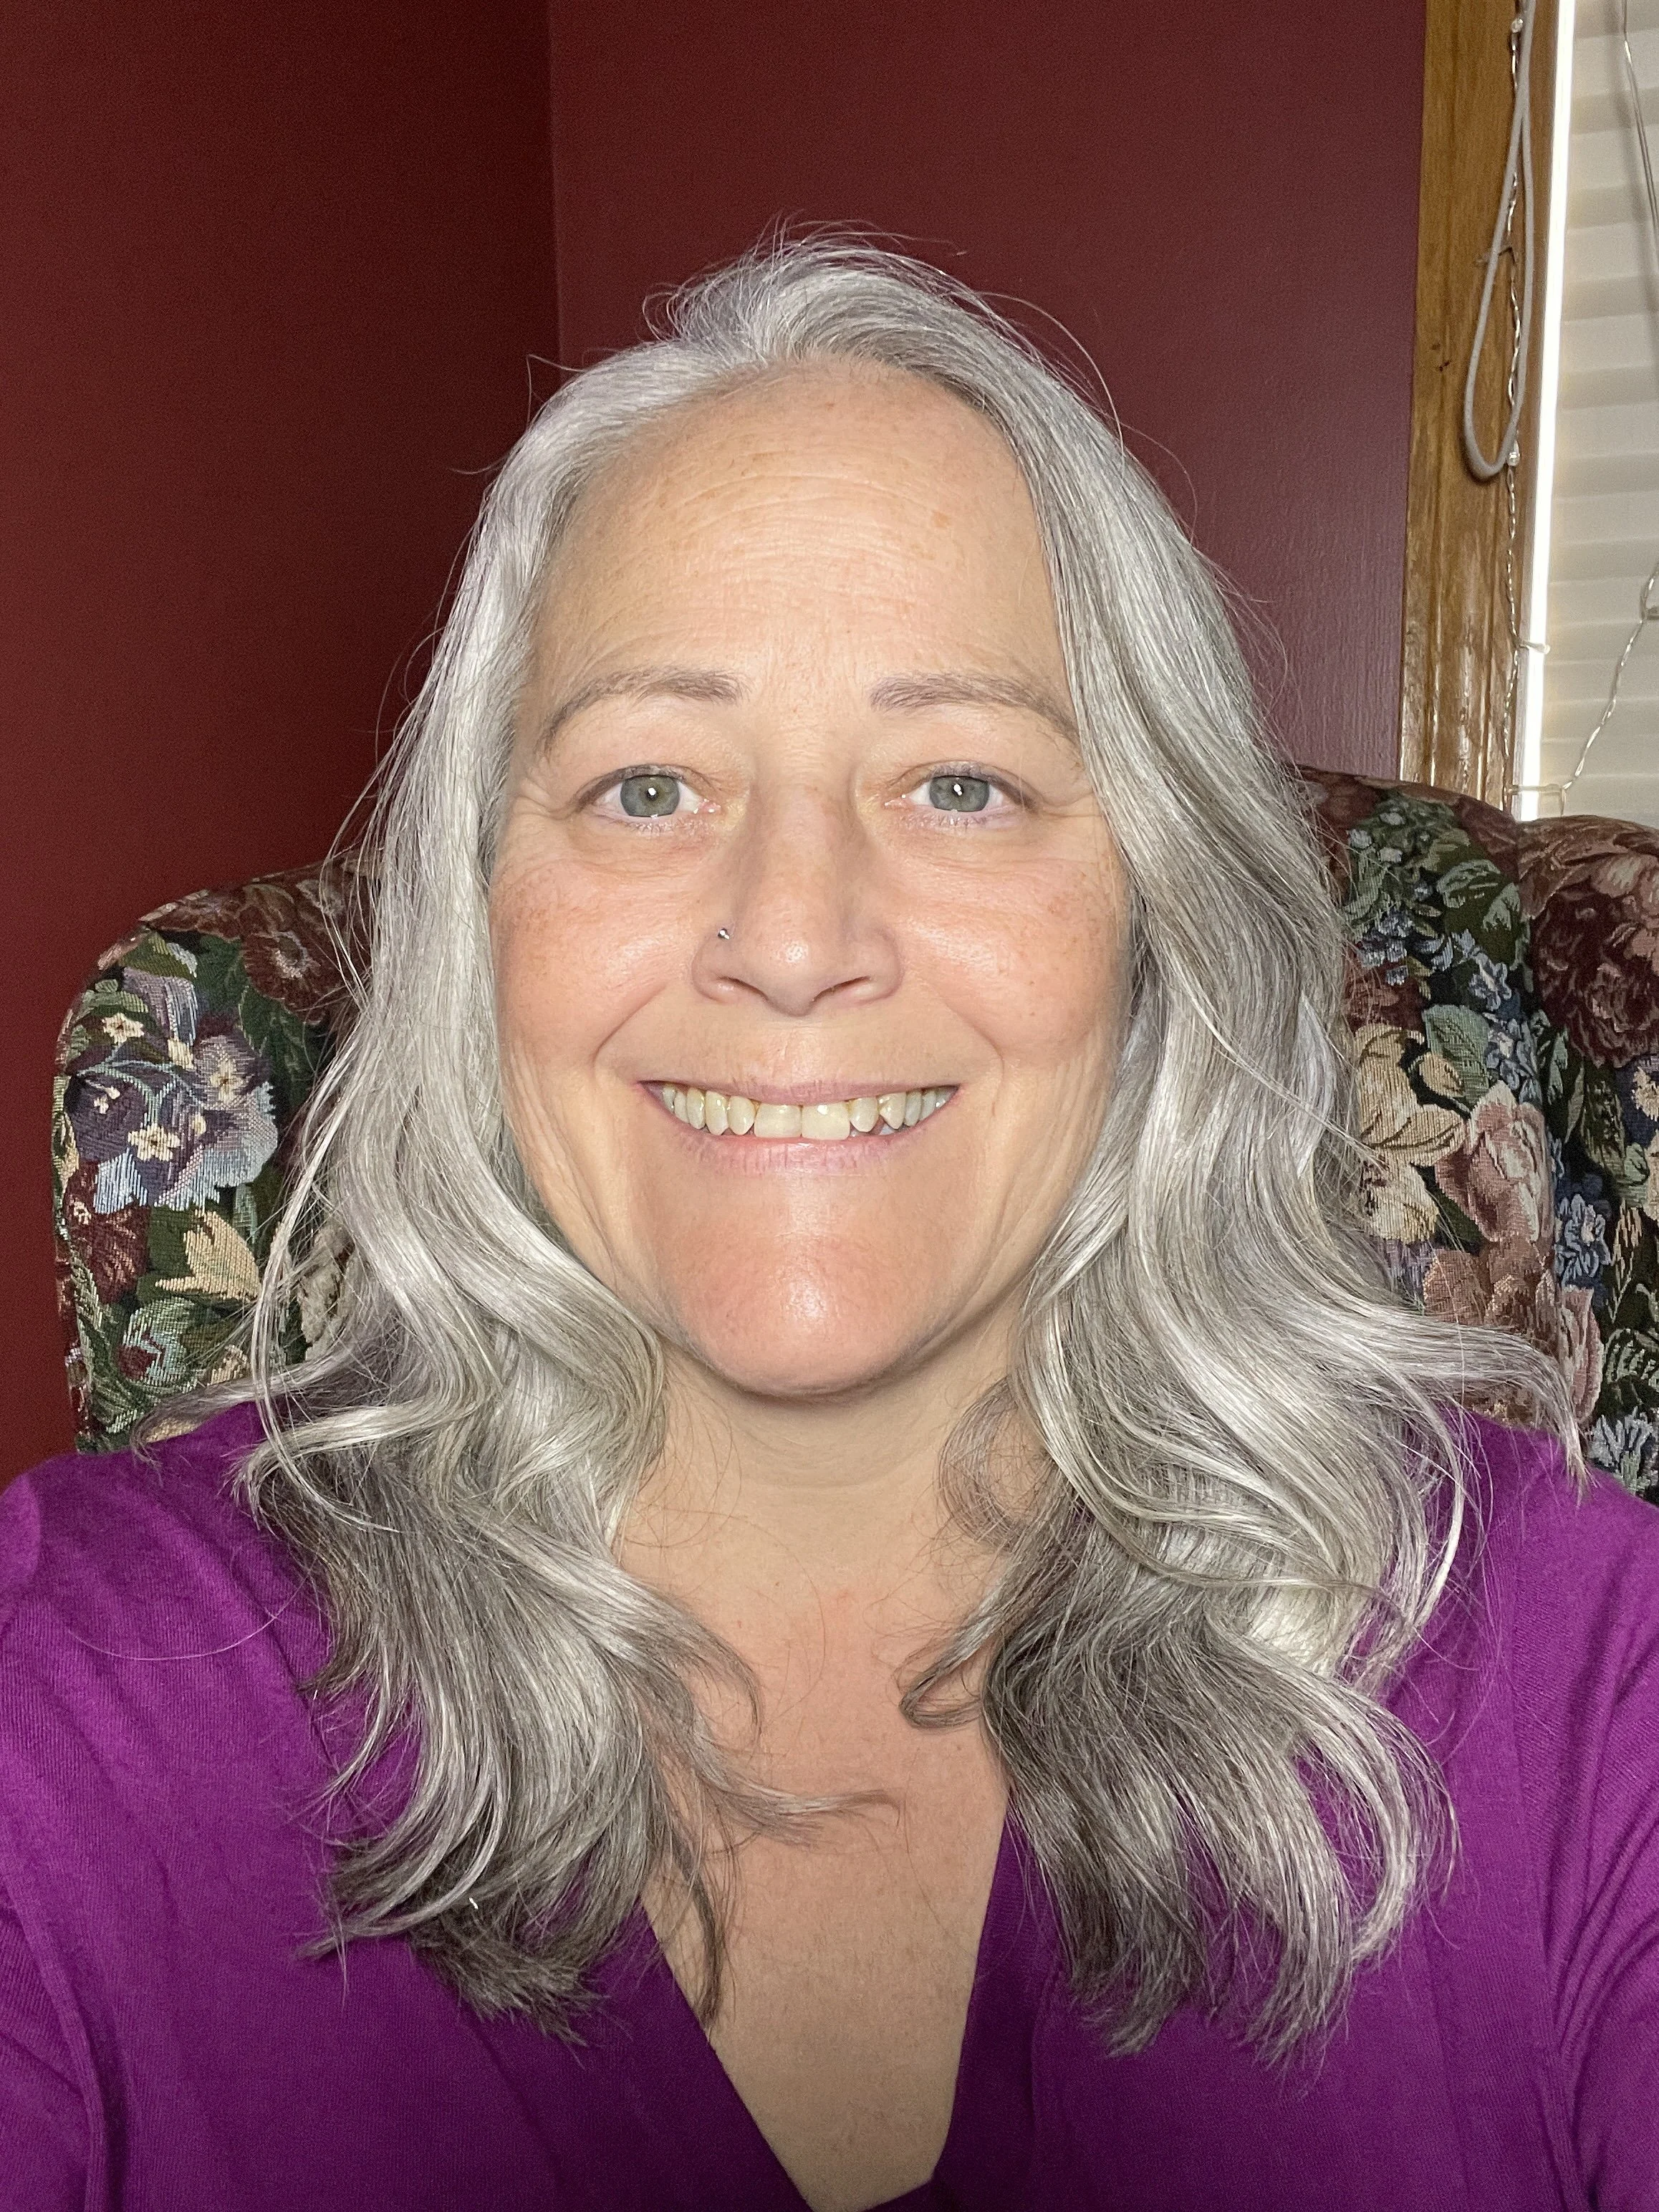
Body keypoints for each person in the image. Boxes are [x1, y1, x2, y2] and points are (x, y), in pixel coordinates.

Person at [2, 240, 1656, 2212]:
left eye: (957, 782)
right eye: (644, 786)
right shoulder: (79, 1711)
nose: (790, 939)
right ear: (477, 922)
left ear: (1153, 926)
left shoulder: (1569, 1683)